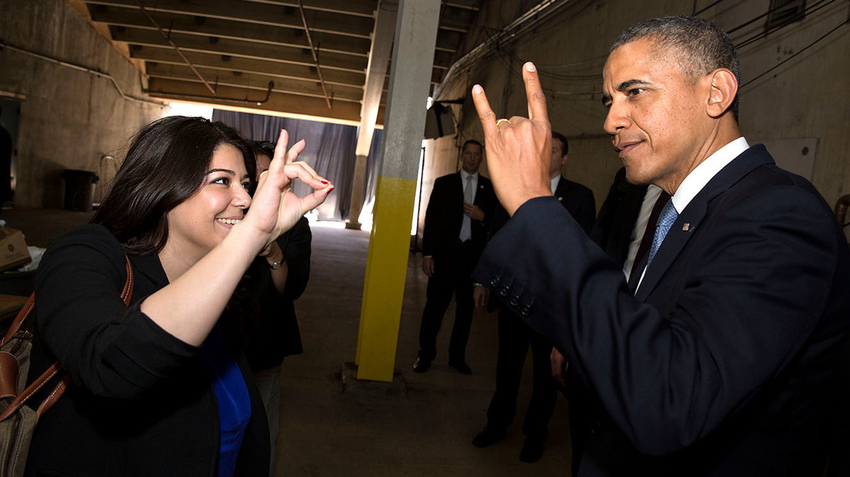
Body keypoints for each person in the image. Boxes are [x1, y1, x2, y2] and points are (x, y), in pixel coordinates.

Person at [470, 15, 850, 477]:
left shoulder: (780, 215)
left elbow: (673, 400)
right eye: (609, 100)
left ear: (716, 93)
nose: (612, 119)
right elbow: (647, 338)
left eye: (635, 92)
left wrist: (535, 204)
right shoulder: (676, 210)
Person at [26, 116, 333, 477]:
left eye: (247, 184)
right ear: (163, 182)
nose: (246, 199)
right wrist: (253, 233)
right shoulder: (84, 254)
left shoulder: (216, 285)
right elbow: (111, 367)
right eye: (223, 180)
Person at [472, 131, 595, 462]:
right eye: (544, 149)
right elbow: (496, 237)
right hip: (515, 298)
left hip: (551, 306)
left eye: (554, 151)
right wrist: (481, 282)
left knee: (545, 376)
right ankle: (496, 425)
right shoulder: (514, 189)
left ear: (564, 158)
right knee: (507, 369)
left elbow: (583, 251)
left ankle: (534, 436)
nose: (548, 155)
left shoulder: (580, 197)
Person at [241, 141, 313, 476]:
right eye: (250, 176)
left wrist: (271, 252)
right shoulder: (226, 212)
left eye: (267, 174)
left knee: (261, 430)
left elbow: (291, 288)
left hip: (263, 342)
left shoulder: (295, 224)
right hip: (216, 344)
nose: (258, 183)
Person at [413, 139, 497, 374]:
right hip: (444, 259)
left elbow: (498, 223)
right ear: (462, 156)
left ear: (481, 158)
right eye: (468, 154)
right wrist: (428, 254)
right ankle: (425, 356)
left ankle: (457, 358)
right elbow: (431, 220)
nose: (471, 158)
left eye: (476, 154)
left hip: (471, 261)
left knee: (465, 313)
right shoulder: (445, 184)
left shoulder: (489, 189)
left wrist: (483, 217)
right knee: (434, 309)